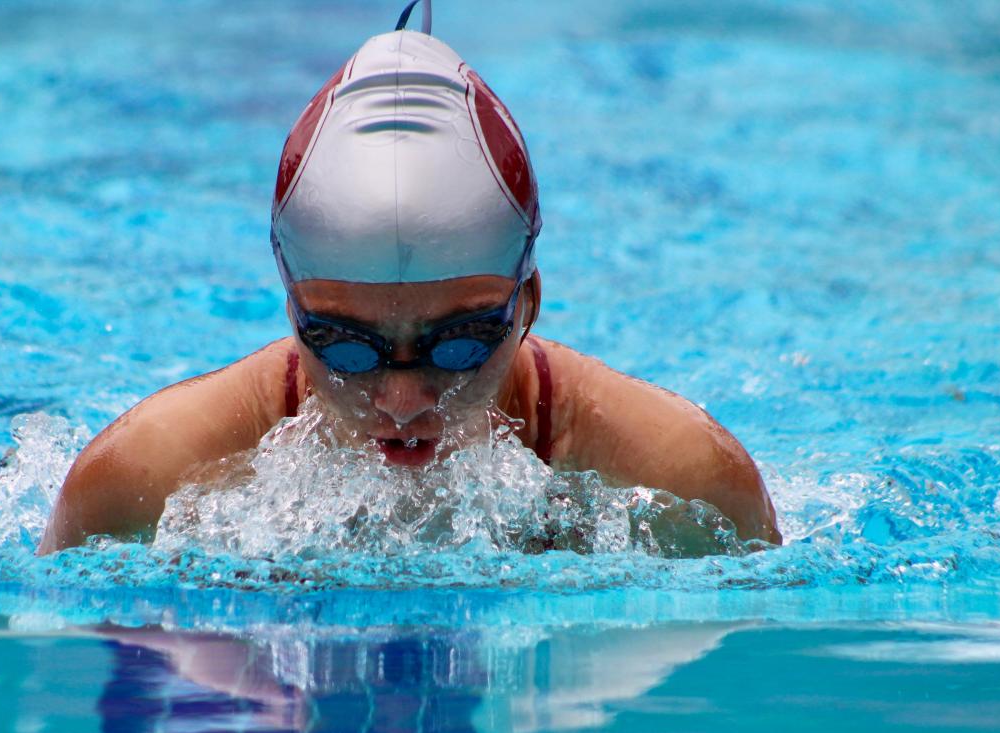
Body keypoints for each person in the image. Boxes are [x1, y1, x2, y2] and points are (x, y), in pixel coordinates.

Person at [39, 8, 780, 555]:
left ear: (526, 305)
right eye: (346, 347)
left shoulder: (684, 482)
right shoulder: (141, 481)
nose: (401, 401)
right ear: (292, 313)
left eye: (456, 345)